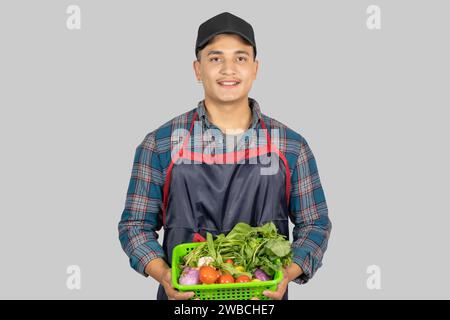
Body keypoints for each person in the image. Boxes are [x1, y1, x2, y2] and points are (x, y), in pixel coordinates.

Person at [118, 12, 332, 300]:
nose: (229, 69)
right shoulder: (160, 144)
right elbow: (135, 226)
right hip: (186, 301)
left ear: (255, 68)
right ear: (197, 69)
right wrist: (165, 275)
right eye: (216, 58)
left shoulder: (290, 146)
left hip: (260, 301)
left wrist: (286, 274)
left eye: (241, 58)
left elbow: (315, 224)